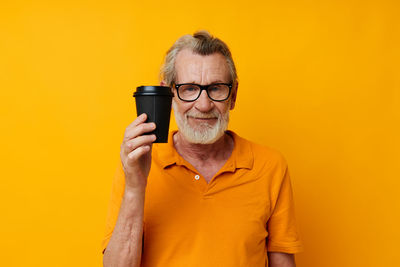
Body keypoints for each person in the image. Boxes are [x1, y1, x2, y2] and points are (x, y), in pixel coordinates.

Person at [102, 31, 303, 267]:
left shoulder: (270, 166)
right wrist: (135, 187)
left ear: (234, 95)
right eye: (189, 89)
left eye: (216, 88)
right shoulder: (139, 161)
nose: (204, 104)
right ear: (169, 94)